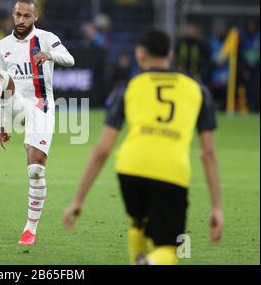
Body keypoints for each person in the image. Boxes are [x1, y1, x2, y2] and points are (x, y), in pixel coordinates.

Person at [63, 28, 224, 265]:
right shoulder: (197, 89)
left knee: (140, 224)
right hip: (172, 174)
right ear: (170, 53)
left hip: (130, 169)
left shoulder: (129, 86)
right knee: (168, 250)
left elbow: (103, 149)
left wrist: (78, 200)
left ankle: (140, 260)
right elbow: (208, 153)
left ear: (140, 54)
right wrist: (217, 207)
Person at [0, 0, 75, 245]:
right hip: (15, 105)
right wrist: (1, 124)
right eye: (17, 14)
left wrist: (49, 55)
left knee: (36, 171)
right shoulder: (2, 45)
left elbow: (70, 59)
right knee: (2, 74)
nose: (21, 19)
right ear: (12, 15)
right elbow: (4, 83)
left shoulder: (47, 38)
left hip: (41, 108)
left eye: (27, 15)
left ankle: (30, 230)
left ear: (36, 16)